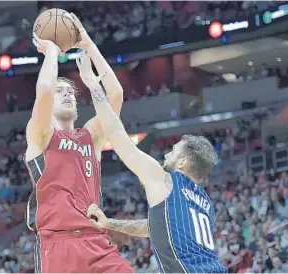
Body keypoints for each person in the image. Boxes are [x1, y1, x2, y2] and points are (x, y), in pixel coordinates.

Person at [76, 52, 227, 273]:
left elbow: (117, 135)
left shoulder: (167, 180)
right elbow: (155, 227)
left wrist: (93, 86)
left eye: (173, 151)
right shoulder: (204, 203)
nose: (167, 154)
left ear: (183, 162)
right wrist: (110, 223)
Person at [24, 13, 133, 273]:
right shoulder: (40, 134)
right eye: (61, 92)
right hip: (58, 244)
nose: (68, 96)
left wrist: (88, 45)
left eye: (71, 93)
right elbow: (45, 91)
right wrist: (52, 52)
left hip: (96, 240)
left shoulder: (90, 137)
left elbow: (116, 95)